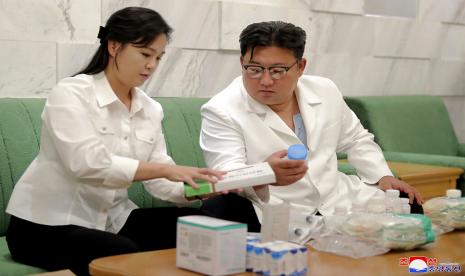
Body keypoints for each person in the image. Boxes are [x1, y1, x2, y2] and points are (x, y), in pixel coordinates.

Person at [6, 7, 224, 275]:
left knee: (203, 226)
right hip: (44, 224)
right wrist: (168, 169)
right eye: (145, 54)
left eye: (158, 57)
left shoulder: (150, 108)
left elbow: (158, 179)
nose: (152, 66)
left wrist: (198, 189)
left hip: (113, 220)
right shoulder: (71, 93)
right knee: (120, 253)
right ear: (114, 46)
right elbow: (86, 164)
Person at [200, 21, 424, 239]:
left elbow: (356, 138)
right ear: (242, 63)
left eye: (278, 70)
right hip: (276, 205)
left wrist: (382, 175)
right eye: (255, 69)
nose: (265, 80)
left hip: (335, 196)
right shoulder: (221, 109)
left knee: (408, 204)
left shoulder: (324, 90)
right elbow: (225, 175)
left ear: (301, 67)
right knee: (222, 208)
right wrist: (265, 173)